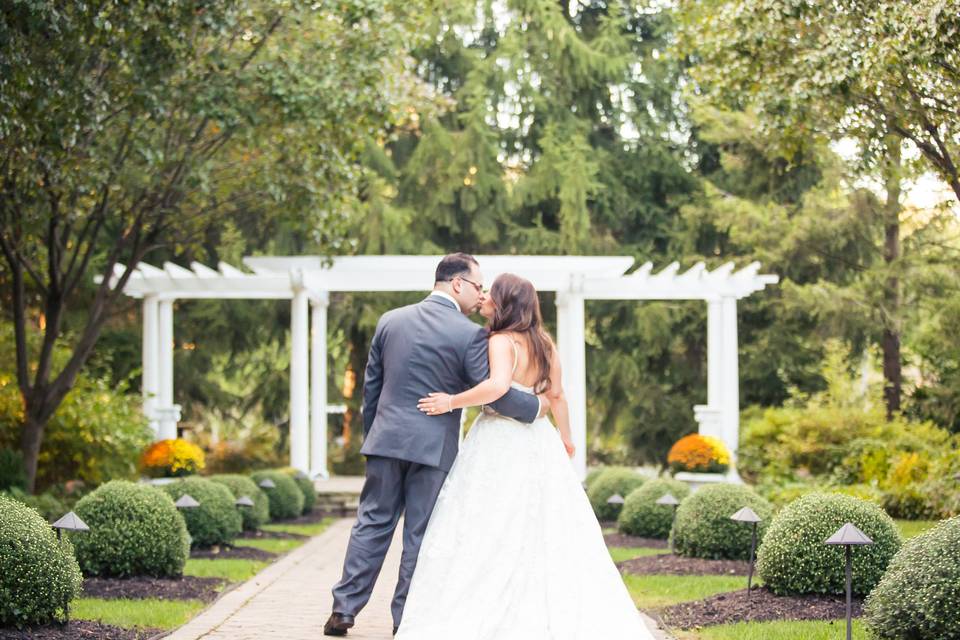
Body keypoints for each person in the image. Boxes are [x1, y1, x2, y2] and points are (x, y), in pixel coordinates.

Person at [396, 273, 654, 640]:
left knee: (489, 523)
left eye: (492, 294)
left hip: (499, 438)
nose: (486, 298)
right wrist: (566, 439)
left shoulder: (501, 341)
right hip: (539, 440)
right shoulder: (546, 344)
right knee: (542, 525)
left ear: (504, 302)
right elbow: (559, 396)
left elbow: (498, 386)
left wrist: (450, 401)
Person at [325, 254, 549, 637]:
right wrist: (536, 406)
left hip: (386, 441)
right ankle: (404, 620)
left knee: (371, 524)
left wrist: (374, 437)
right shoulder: (470, 335)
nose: (481, 295)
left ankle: (344, 610)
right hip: (433, 450)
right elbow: (493, 395)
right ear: (457, 284)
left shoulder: (390, 321)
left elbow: (371, 390)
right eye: (478, 286)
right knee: (419, 533)